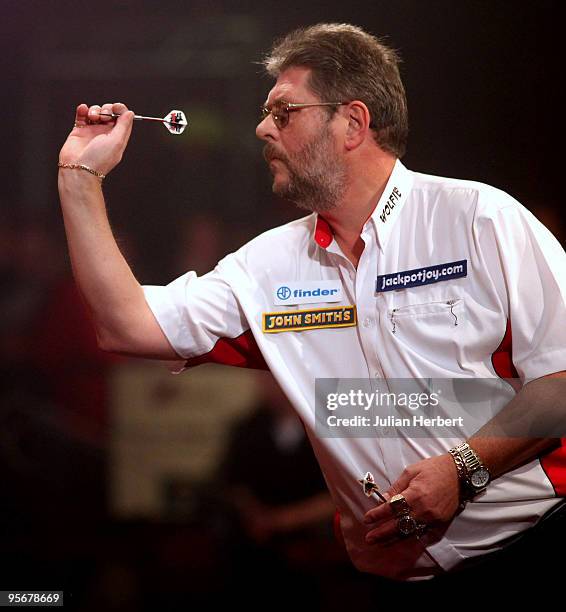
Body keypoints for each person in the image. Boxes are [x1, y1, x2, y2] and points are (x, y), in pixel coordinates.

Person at [57, 23, 566, 588]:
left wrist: (460, 469)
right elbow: (125, 327)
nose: (260, 128)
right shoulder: (267, 265)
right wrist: (79, 180)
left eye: (283, 112)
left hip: (532, 553)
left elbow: (561, 382)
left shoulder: (479, 218)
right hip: (382, 582)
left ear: (352, 123)